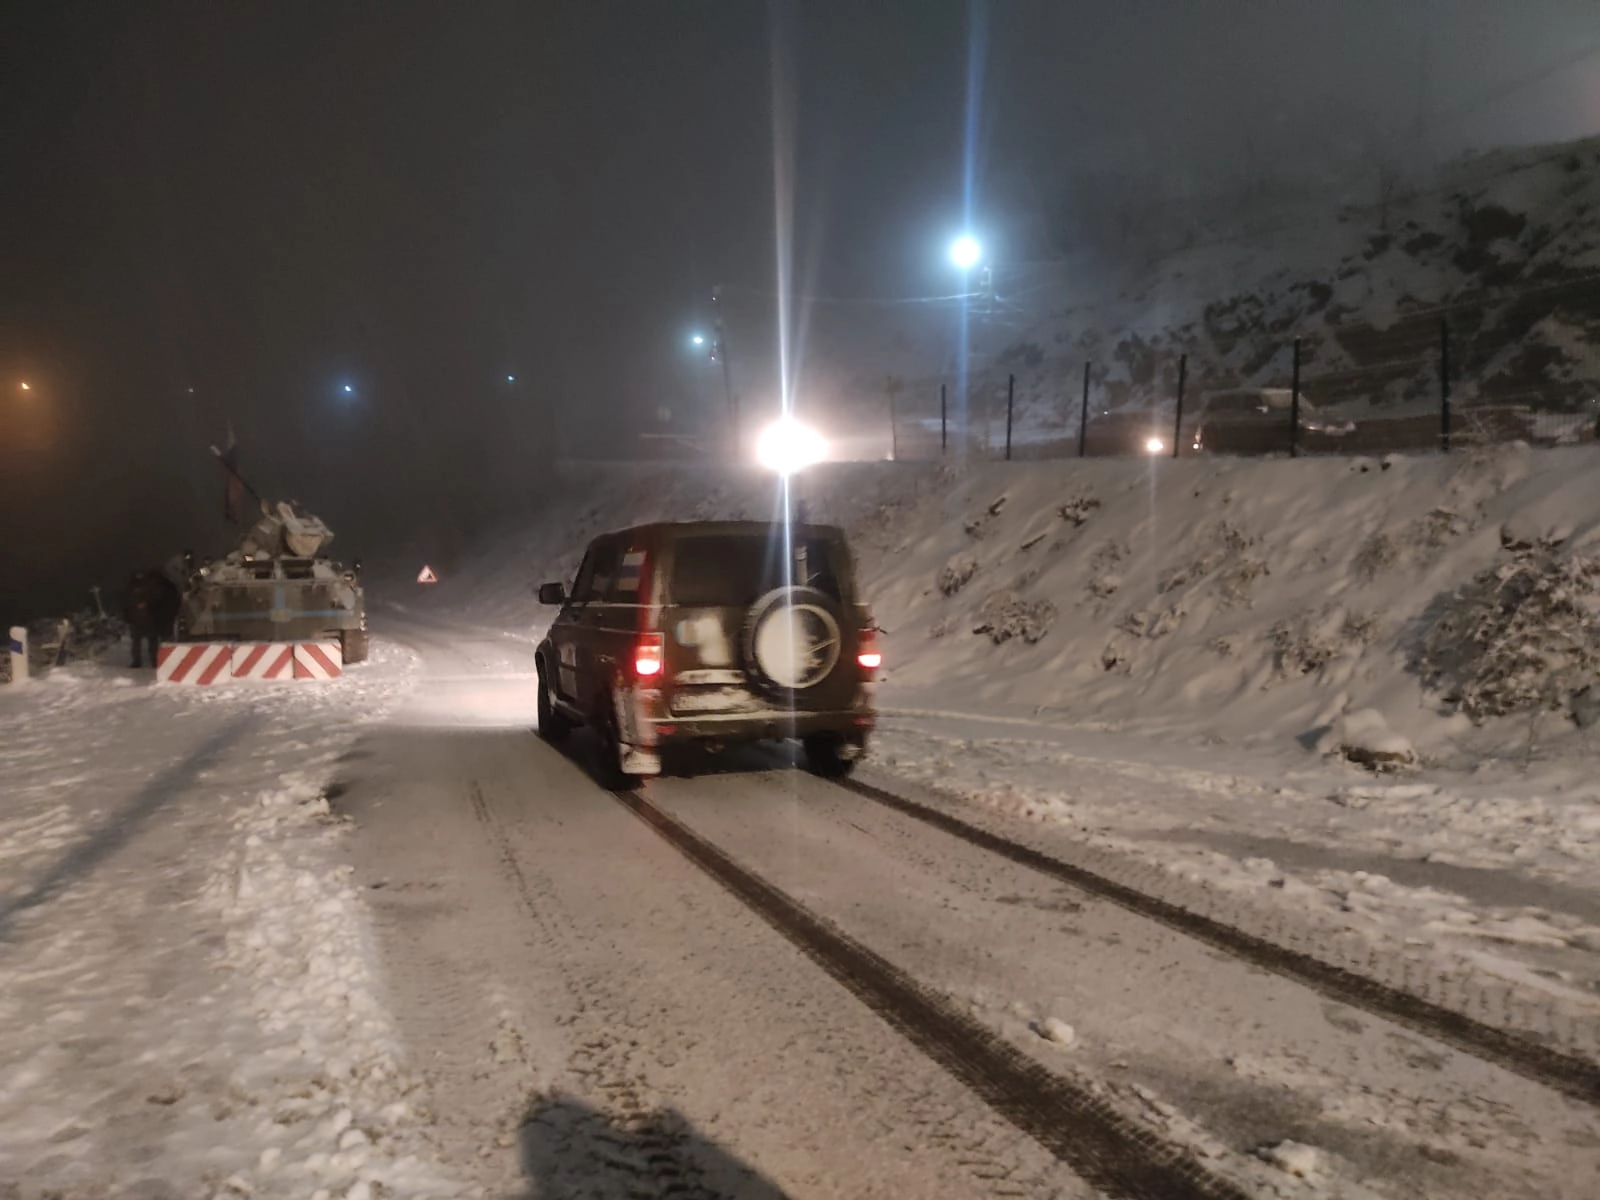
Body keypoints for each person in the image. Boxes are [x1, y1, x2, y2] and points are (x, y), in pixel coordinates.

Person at [124, 569, 180, 668]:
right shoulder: (153, 587)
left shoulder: (130, 588)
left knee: (137, 642)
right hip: (149, 619)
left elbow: (126, 605)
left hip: (137, 620)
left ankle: (137, 661)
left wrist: (128, 618)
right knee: (152, 641)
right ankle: (155, 661)